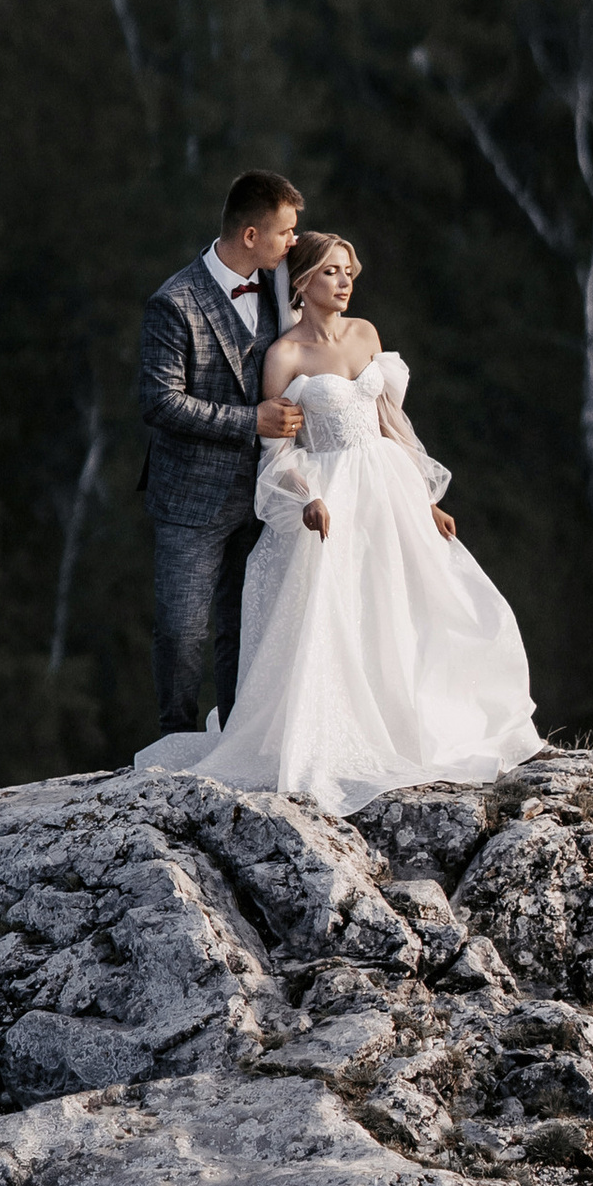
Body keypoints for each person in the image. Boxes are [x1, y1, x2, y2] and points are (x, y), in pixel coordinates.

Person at [134, 227, 538, 812]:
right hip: (332, 495)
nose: (345, 282)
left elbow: (392, 420)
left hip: (388, 488)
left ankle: (414, 717)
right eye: (331, 271)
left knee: (411, 605)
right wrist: (304, 498)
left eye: (350, 271)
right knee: (340, 612)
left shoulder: (367, 334)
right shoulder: (285, 355)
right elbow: (278, 448)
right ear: (302, 281)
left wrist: (427, 497)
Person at [136, 168, 309, 741]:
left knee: (246, 624)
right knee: (182, 630)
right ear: (252, 235)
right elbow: (159, 403)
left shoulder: (282, 289)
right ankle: (175, 742)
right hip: (189, 495)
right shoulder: (174, 301)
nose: (293, 243)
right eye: (285, 232)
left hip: (262, 490)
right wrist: (249, 421)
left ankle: (239, 741)